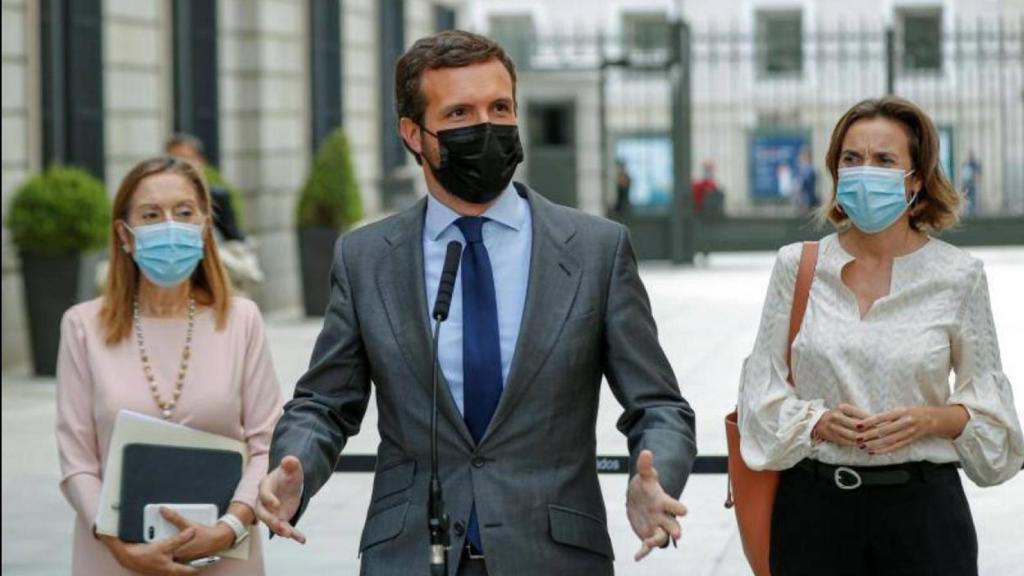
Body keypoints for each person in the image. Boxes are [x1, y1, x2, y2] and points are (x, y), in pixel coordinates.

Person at [256, 30, 696, 575]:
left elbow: (659, 406)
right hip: (411, 554)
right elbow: (323, 403)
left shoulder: (595, 250)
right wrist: (293, 466)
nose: (486, 127)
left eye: (500, 107)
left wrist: (654, 479)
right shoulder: (365, 257)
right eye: (460, 113)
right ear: (413, 134)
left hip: (554, 555)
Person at [738, 96, 1024, 576]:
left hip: (924, 516)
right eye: (852, 159)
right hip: (814, 513)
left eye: (884, 160)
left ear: (915, 179)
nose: (864, 171)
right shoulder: (798, 266)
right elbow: (759, 398)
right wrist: (818, 423)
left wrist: (932, 420)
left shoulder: (959, 275)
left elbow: (996, 425)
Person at [56, 156, 283, 575]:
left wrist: (230, 527)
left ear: (205, 227)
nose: (169, 226)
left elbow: (266, 443)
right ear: (125, 235)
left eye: (183, 213)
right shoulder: (82, 327)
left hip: (223, 557)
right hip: (113, 557)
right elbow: (77, 462)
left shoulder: (241, 321)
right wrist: (118, 544)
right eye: (150, 215)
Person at [165, 134, 264, 296]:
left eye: (185, 159)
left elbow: (233, 236)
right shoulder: (155, 198)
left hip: (212, 275)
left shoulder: (216, 196)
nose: (179, 167)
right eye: (172, 161)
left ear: (200, 162)